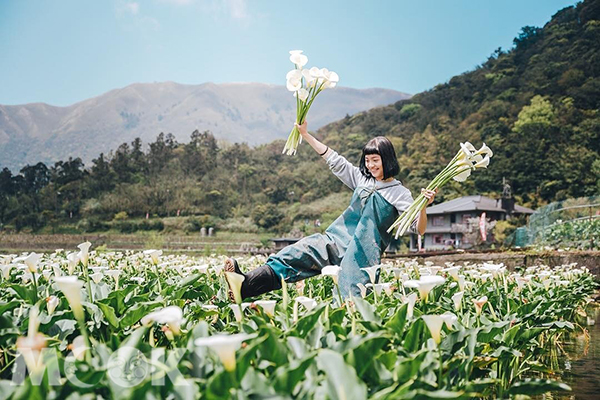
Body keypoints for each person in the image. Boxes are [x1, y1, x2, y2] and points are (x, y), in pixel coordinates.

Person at [225, 121, 437, 300]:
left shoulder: (399, 193)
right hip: (335, 240)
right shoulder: (362, 179)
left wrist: (423, 207)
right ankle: (244, 286)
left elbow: (418, 230)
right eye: (367, 160)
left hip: (362, 254)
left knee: (349, 298)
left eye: (375, 160)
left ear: (387, 160)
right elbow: (335, 160)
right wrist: (305, 135)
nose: (371, 165)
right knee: (295, 254)